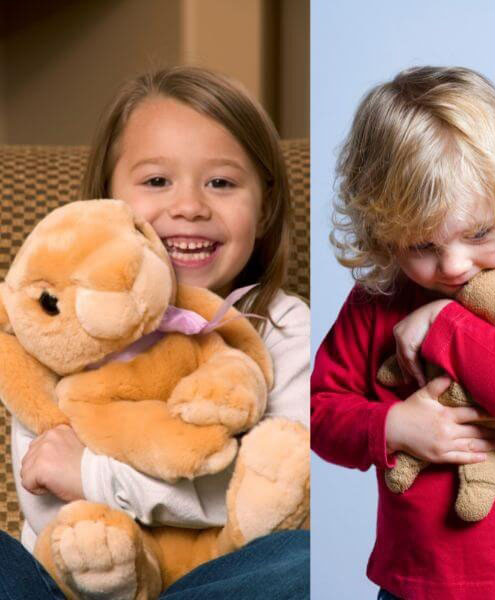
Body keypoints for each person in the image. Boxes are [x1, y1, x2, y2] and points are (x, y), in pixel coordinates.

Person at [7, 66, 310, 596]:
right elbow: (45, 478)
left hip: (219, 581)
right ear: (106, 200)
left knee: (303, 560)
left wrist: (96, 475)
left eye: (221, 182)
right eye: (156, 181)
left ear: (263, 208)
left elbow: (274, 486)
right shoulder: (57, 315)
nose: (189, 206)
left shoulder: (285, 327)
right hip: (68, 585)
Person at [311, 66, 495, 599]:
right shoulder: (373, 307)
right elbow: (319, 415)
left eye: (478, 234)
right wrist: (394, 426)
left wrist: (445, 322)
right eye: (422, 245)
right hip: (417, 584)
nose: (452, 265)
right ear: (384, 234)